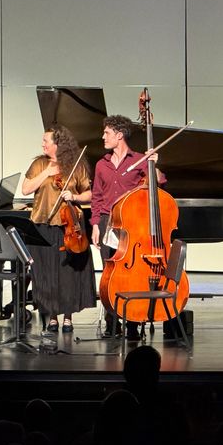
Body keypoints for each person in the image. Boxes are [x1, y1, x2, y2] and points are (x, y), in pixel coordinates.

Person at [90, 114, 164, 339]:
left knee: (131, 275)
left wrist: (154, 166)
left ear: (119, 135)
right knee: (109, 274)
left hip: (130, 224)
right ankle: (112, 323)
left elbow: (158, 183)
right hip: (106, 222)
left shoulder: (140, 159)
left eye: (107, 133)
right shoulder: (101, 164)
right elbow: (96, 197)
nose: (103, 137)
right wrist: (94, 225)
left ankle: (132, 323)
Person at [20, 123, 96, 333]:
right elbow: (26, 189)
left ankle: (68, 317)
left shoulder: (76, 165)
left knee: (67, 273)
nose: (42, 144)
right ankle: (51, 316)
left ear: (58, 144)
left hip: (69, 225)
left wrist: (75, 196)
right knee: (45, 272)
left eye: (46, 141)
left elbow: (89, 194)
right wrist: (47, 173)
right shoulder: (39, 164)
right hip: (42, 223)